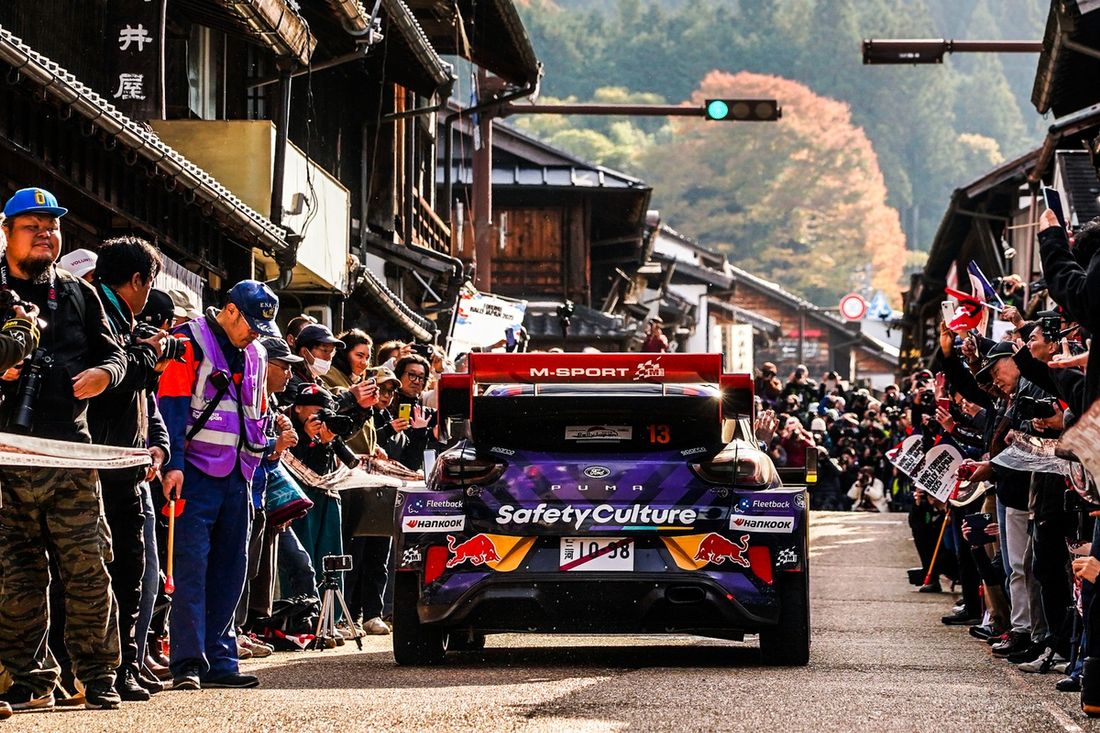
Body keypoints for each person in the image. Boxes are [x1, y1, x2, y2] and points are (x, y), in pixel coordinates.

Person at [0, 187, 128, 712]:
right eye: (32, 227)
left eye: (51, 226)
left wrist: (105, 375)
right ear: (6, 233)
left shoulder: (79, 293)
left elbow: (117, 354)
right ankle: (30, 678)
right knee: (14, 574)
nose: (45, 235)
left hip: (70, 452)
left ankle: (97, 675)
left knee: (89, 568)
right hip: (7, 457)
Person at [157, 280, 278, 690]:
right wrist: (173, 464)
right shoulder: (187, 340)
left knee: (231, 569)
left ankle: (221, 660)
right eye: (250, 325)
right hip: (195, 471)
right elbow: (171, 406)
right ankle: (188, 662)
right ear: (229, 310)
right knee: (191, 568)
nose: (255, 334)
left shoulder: (258, 353)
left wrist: (259, 466)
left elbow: (258, 412)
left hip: (240, 474)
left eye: (262, 329)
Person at [86, 236, 171, 702]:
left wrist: (155, 447)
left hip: (129, 465)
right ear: (138, 280)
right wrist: (147, 357)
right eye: (149, 284)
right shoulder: (94, 313)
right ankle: (105, 671)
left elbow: (144, 401)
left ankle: (124, 667)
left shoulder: (125, 322)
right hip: (100, 467)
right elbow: (109, 378)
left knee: (132, 572)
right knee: (106, 574)